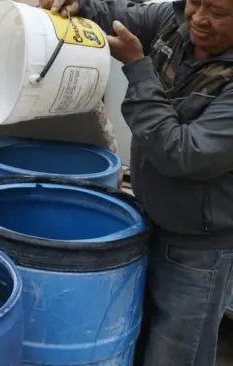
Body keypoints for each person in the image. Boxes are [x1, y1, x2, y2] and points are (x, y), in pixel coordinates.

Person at [39, 0, 233, 365]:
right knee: (136, 338)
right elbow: (114, 14)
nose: (200, 18)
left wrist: (138, 68)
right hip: (148, 220)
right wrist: (80, 5)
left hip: (199, 248)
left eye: (218, 12)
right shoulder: (170, 19)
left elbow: (183, 153)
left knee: (177, 353)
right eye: (195, 3)